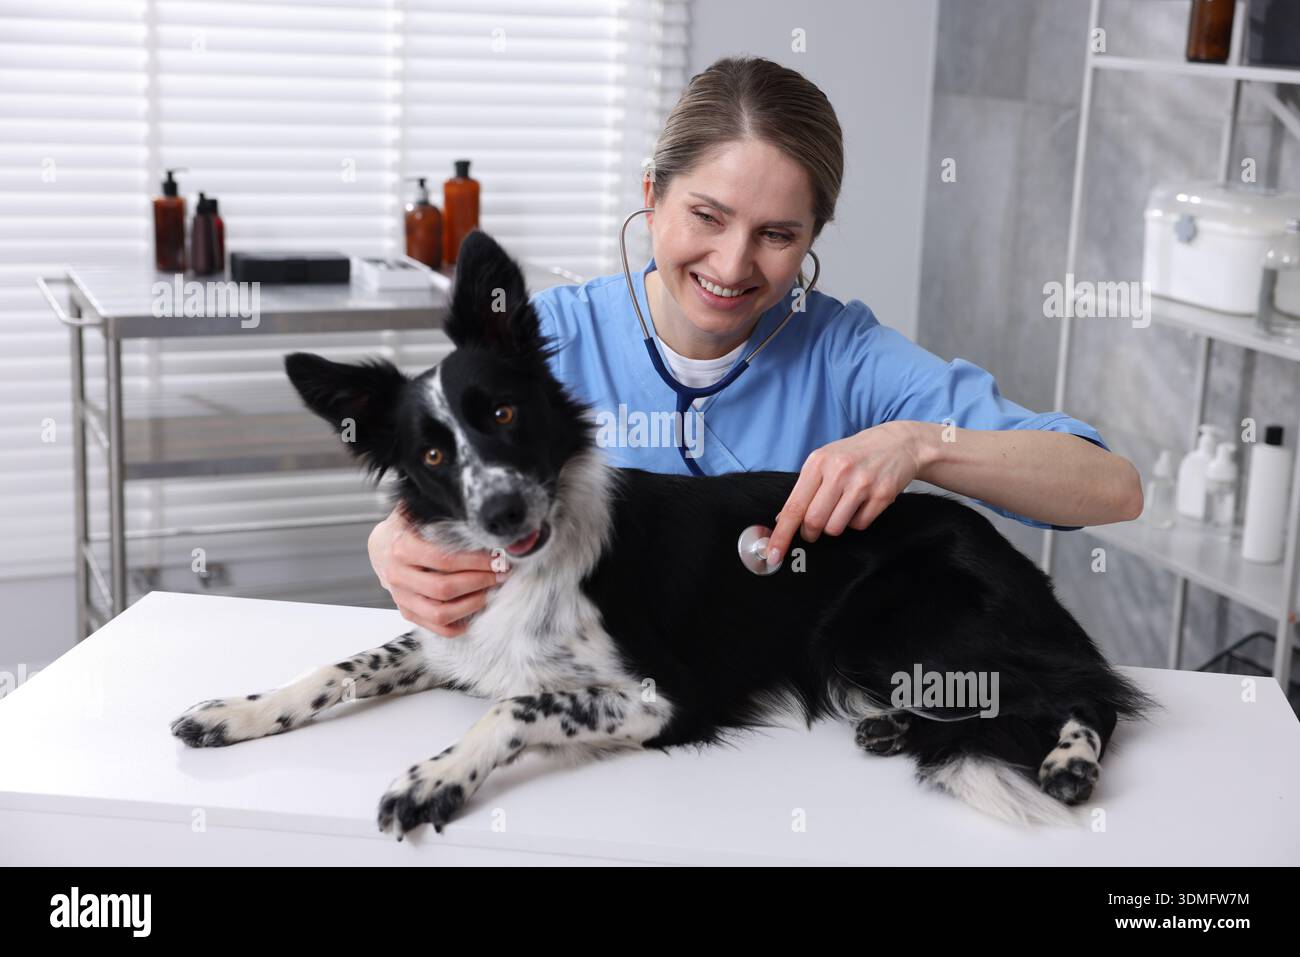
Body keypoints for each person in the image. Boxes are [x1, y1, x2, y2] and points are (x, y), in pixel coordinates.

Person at [368, 55, 1142, 637]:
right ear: (652, 193)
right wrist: (390, 547)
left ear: (814, 237)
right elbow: (436, 483)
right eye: (707, 215)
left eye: (777, 235)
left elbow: (1108, 487)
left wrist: (918, 446)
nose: (733, 265)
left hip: (774, 713)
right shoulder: (548, 346)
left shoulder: (843, 354)